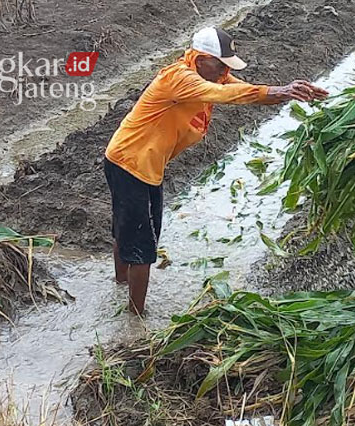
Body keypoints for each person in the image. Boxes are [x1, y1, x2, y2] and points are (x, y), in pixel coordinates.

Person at [104, 26, 328, 314]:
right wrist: (278, 90)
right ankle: (135, 316)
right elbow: (223, 94)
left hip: (145, 164)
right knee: (142, 243)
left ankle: (122, 282)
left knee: (133, 229)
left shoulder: (208, 75)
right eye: (220, 65)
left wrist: (291, 92)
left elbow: (243, 91)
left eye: (227, 67)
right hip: (129, 163)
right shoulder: (180, 79)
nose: (225, 72)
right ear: (199, 59)